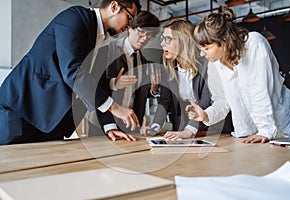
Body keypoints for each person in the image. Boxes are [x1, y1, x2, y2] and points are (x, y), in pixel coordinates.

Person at [0, 0, 142, 145]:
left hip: (52, 121)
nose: (129, 26)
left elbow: (97, 83)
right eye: (129, 18)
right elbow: (73, 71)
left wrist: (109, 126)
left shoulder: (103, 42)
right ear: (114, 6)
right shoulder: (75, 18)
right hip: (23, 111)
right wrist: (115, 107)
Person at [187, 7, 290, 143]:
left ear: (224, 41)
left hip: (286, 123)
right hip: (251, 133)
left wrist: (265, 130)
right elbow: (222, 100)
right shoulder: (214, 63)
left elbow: (259, 90)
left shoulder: (254, 44)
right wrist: (206, 115)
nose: (202, 54)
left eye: (206, 48)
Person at [92, 10, 160, 139]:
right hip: (104, 126)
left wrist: (153, 89)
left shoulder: (144, 61)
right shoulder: (106, 50)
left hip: (130, 126)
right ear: (129, 28)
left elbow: (138, 94)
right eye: (141, 32)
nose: (145, 38)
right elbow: (93, 86)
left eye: (150, 35)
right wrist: (113, 84)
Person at [140, 19, 211, 140]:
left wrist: (190, 130)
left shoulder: (206, 64)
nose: (162, 43)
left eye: (168, 39)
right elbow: (165, 101)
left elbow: (207, 101)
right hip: (184, 130)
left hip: (211, 129)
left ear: (183, 41)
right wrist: (154, 128)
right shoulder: (169, 69)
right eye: (162, 39)